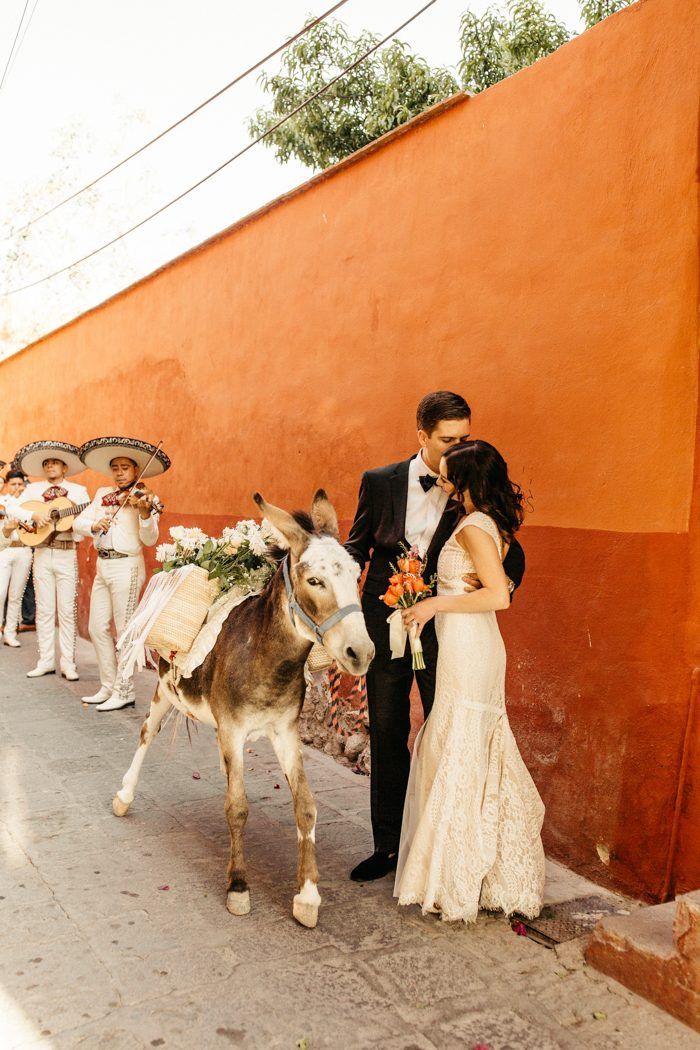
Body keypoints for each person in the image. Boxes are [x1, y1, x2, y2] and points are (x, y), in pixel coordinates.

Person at [345, 392, 526, 882]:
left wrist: (504, 582)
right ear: (421, 435)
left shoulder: (468, 481)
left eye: (463, 438)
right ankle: (387, 847)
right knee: (386, 732)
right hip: (385, 627)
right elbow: (357, 548)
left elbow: (511, 552)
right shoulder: (379, 482)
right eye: (447, 440)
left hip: (447, 633)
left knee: (444, 733)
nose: (456, 448)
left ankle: (439, 846)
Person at [393, 440, 545, 922]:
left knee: (457, 747)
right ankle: (459, 870)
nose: (441, 479)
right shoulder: (484, 522)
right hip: (464, 642)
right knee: (453, 747)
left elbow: (499, 596)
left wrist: (433, 602)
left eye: (448, 475)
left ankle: (454, 876)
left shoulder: (477, 526)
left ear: (467, 482)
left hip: (470, 646)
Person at [74, 437, 169, 711]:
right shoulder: (103, 494)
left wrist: (145, 515)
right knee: (96, 627)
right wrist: (95, 523)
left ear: (136, 471)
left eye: (124, 468)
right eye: (115, 467)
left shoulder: (145, 498)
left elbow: (150, 539)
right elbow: (79, 523)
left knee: (124, 631)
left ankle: (124, 689)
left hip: (127, 566)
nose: (119, 472)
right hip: (104, 565)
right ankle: (108, 686)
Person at [16, 441, 90, 680]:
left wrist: (73, 523)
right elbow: (15, 510)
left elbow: (85, 521)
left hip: (66, 553)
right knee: (45, 610)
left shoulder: (78, 492)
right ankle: (45, 660)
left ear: (64, 467)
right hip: (41, 553)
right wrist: (33, 515)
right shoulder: (33, 490)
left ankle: (68, 663)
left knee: (67, 611)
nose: (50, 466)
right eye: (46, 463)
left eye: (54, 463)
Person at [0, 470, 34, 647]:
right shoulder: (2, 502)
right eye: (13, 484)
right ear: (7, 485)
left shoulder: (31, 504)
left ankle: (10, 633)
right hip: (4, 551)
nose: (17, 488)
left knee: (16, 595)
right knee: (0, 592)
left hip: (24, 550)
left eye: (20, 484)